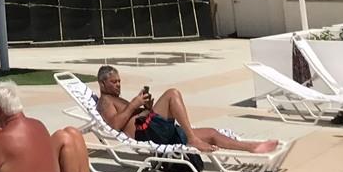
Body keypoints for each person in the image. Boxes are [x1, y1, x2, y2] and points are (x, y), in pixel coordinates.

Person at [95, 65, 279, 155]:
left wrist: (147, 107)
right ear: (102, 83)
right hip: (145, 133)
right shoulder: (105, 101)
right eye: (113, 82)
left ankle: (251, 147)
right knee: (172, 94)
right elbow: (115, 125)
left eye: (119, 81)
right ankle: (191, 139)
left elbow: (130, 115)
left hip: (154, 130)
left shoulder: (116, 99)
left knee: (212, 133)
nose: (118, 85)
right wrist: (134, 104)